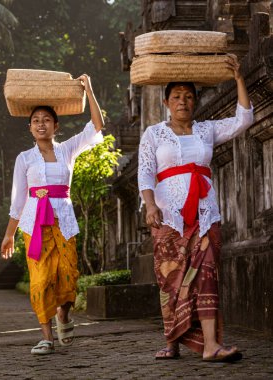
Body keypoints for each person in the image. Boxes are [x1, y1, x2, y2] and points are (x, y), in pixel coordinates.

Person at [138, 54, 253, 362]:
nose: (183, 101)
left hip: (204, 215)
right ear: (165, 102)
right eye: (176, 96)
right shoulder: (154, 133)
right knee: (171, 278)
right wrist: (149, 206)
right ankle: (172, 342)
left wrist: (239, 78)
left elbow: (244, 120)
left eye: (189, 96)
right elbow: (145, 171)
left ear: (195, 102)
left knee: (207, 275)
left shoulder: (206, 130)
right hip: (168, 216)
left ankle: (212, 345)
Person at [0, 74, 104, 355]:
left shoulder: (68, 149)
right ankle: (46, 336)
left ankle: (64, 315)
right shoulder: (24, 158)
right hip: (35, 223)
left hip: (64, 220)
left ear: (55, 125)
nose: (41, 124)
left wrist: (89, 89)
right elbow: (19, 199)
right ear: (30, 128)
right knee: (41, 279)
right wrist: (9, 234)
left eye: (46, 119)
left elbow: (96, 126)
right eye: (36, 121)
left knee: (69, 276)